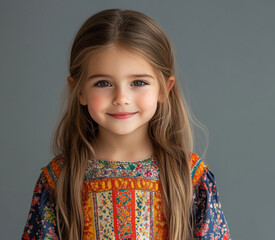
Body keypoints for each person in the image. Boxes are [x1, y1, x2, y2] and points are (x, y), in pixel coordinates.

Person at [21, 8, 230, 240]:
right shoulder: (59, 179)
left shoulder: (190, 177)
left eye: (138, 82)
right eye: (103, 83)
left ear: (164, 89)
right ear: (78, 91)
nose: (121, 97)